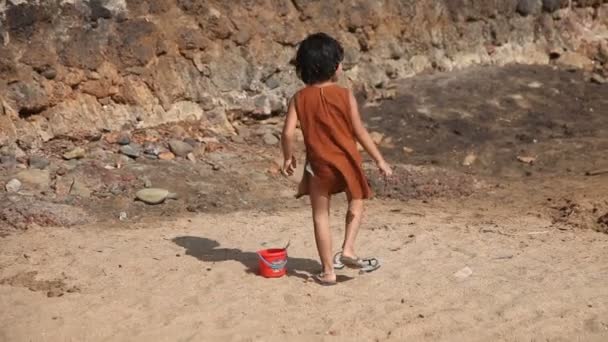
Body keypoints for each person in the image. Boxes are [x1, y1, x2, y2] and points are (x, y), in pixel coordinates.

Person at [281, 32, 393, 286]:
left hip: (318, 165)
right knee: (357, 199)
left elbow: (287, 133)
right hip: (347, 162)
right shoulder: (344, 95)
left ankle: (328, 271)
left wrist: (288, 158)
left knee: (321, 216)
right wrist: (380, 160)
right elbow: (359, 131)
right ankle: (349, 248)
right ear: (335, 67)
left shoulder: (298, 98)